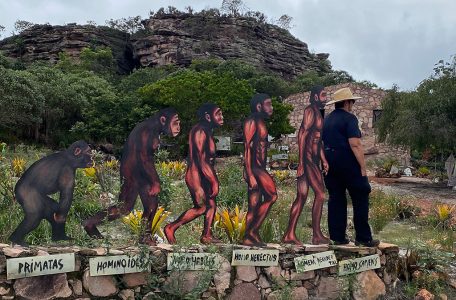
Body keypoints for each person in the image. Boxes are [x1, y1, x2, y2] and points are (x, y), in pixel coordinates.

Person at [83, 108, 180, 245]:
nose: (178, 127)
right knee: (139, 205)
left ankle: (92, 223)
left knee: (128, 207)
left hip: (134, 169)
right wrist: (155, 181)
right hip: (136, 170)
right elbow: (144, 157)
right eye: (175, 123)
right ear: (163, 120)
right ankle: (143, 237)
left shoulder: (150, 128)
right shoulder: (149, 129)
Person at [322, 87, 379, 247]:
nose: (352, 104)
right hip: (348, 163)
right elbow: (355, 144)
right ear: (347, 102)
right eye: (352, 101)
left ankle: (338, 237)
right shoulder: (350, 118)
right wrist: (362, 167)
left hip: (330, 164)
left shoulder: (326, 120)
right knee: (361, 195)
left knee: (336, 199)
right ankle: (363, 237)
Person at [164, 103, 224, 244]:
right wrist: (214, 181)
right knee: (201, 207)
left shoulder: (207, 131)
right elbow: (201, 160)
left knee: (211, 204)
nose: (222, 117)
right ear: (208, 117)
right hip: (196, 176)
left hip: (204, 174)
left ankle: (207, 235)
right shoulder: (200, 131)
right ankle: (171, 228)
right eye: (219, 114)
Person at [283, 85, 329, 245]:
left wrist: (324, 159)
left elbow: (319, 140)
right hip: (308, 161)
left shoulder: (318, 113)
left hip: (313, 160)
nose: (326, 98)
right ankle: (316, 235)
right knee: (321, 195)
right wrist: (302, 162)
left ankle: (289, 234)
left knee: (302, 196)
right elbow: (302, 134)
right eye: (323, 95)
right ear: (316, 97)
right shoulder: (310, 111)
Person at [243, 93, 278, 246]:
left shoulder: (260, 121)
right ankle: (252, 231)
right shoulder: (252, 121)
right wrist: (250, 174)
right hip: (255, 168)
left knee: (254, 205)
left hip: (258, 167)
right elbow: (247, 148)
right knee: (272, 196)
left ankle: (247, 238)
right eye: (268, 104)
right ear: (259, 106)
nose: (271, 108)